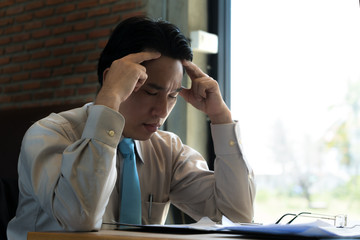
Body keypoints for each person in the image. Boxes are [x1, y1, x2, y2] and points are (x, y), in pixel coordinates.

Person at [7, 16, 255, 240]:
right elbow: (79, 219)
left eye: (172, 95)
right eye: (150, 91)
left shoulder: (167, 150)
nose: (162, 110)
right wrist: (109, 100)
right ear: (112, 80)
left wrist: (221, 117)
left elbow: (236, 216)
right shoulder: (49, 135)